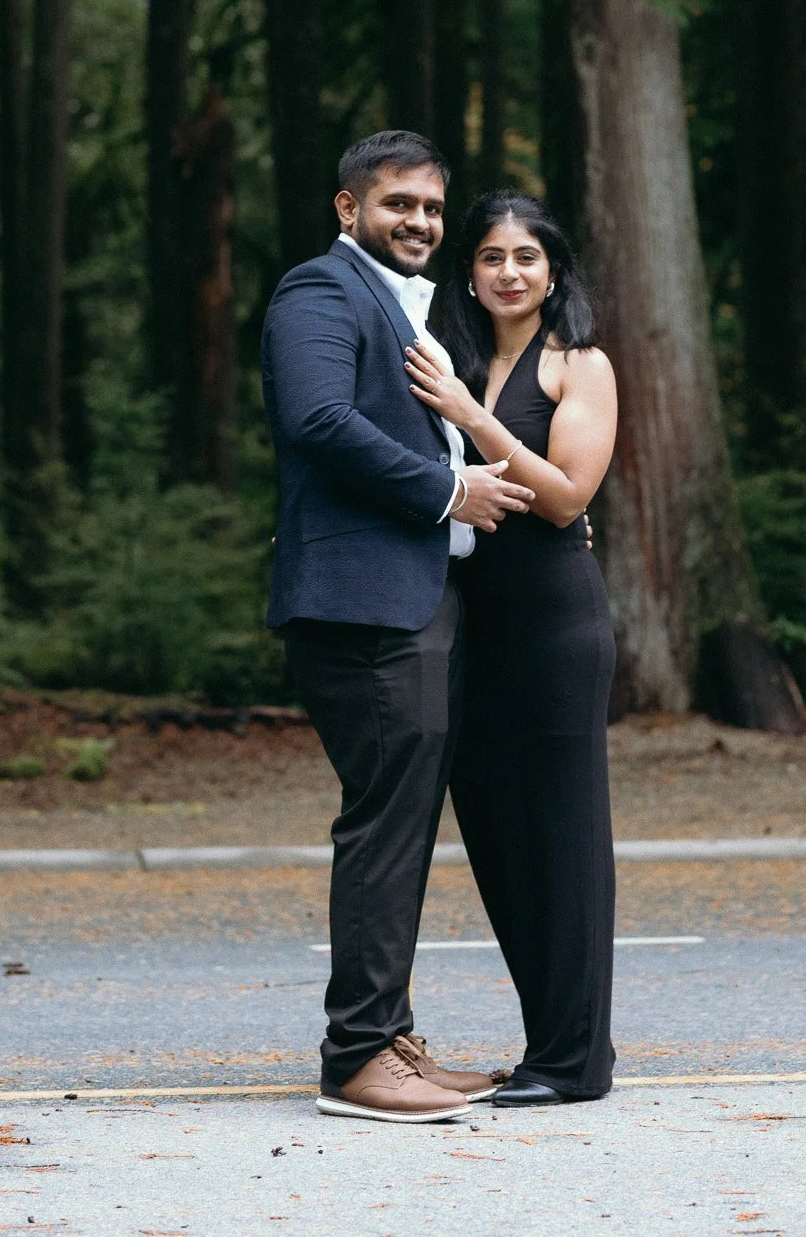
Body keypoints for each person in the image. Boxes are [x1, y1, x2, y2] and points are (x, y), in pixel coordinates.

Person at [260, 132, 536, 1123]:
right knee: (383, 823)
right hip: (361, 603)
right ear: (349, 208)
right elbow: (318, 419)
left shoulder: (407, 303)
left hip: (417, 598)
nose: (419, 221)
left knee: (404, 823)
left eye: (431, 206)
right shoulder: (319, 291)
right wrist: (447, 489)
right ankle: (357, 1058)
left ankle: (390, 1039)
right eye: (398, 203)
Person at [406, 191, 619, 1105]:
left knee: (563, 840)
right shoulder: (444, 362)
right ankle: (552, 1042)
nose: (508, 272)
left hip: (554, 626)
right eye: (491, 257)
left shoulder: (580, 365)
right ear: (468, 273)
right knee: (497, 841)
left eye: (525, 257)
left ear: (553, 271)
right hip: (466, 627)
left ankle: (575, 1062)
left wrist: (473, 417)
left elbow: (566, 497)